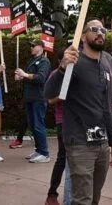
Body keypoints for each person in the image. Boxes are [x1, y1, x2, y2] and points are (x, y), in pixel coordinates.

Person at [44, 19, 112, 205]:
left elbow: (107, 106)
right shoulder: (74, 61)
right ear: (84, 35)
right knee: (82, 200)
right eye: (94, 29)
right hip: (79, 143)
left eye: (103, 29)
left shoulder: (107, 61)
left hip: (102, 143)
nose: (100, 33)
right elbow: (49, 94)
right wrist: (62, 68)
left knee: (94, 198)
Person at [15, 39, 52, 163]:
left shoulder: (44, 61)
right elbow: (29, 76)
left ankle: (45, 153)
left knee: (38, 125)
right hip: (30, 97)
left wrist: (25, 75)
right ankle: (38, 150)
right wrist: (21, 77)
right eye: (30, 45)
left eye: (33, 45)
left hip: (38, 98)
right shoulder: (32, 60)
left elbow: (41, 78)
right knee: (32, 125)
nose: (31, 47)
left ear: (41, 47)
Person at [45, 47, 74, 205]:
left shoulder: (78, 74)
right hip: (63, 121)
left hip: (79, 123)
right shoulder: (55, 75)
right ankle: (52, 193)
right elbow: (50, 100)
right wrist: (61, 96)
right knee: (63, 158)